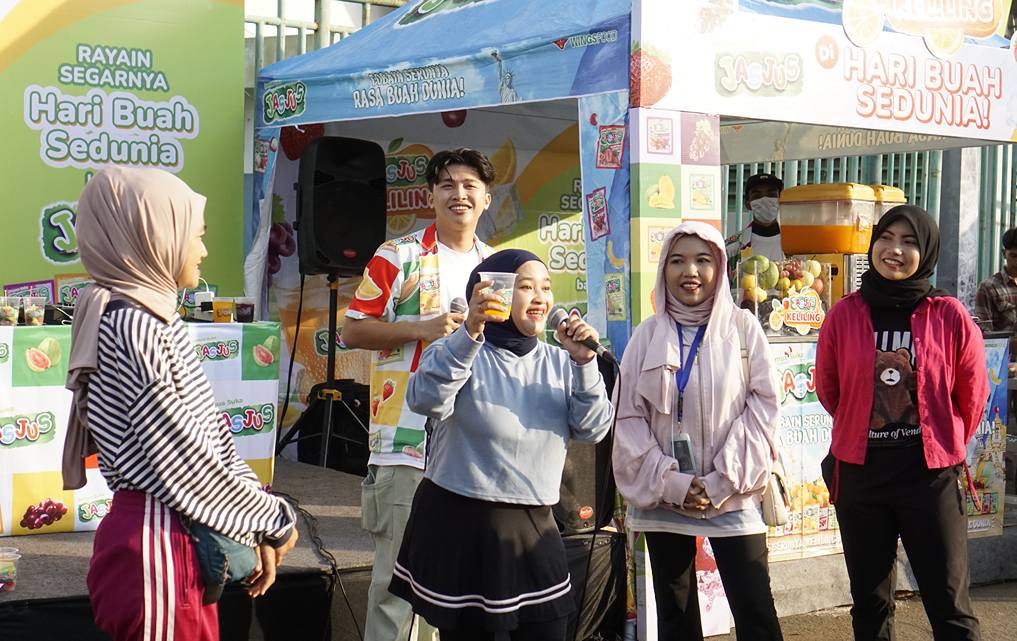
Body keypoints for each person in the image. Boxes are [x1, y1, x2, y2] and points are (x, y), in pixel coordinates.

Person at [63, 167, 298, 641]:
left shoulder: (148, 316)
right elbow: (181, 455)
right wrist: (270, 519)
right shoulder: (133, 323)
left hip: (175, 539)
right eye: (197, 235)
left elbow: (211, 438)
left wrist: (257, 518)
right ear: (154, 236)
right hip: (160, 547)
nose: (203, 250)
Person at [388, 249, 614, 641]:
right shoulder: (457, 349)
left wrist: (584, 363)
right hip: (461, 525)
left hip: (534, 526)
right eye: (526, 287)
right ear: (495, 291)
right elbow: (425, 399)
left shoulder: (562, 362)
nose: (540, 297)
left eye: (546, 287)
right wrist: (469, 333)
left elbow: (592, 429)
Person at [342, 148, 496, 641]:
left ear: (486, 199)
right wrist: (422, 327)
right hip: (407, 442)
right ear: (431, 196)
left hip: (473, 447)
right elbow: (352, 329)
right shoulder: (398, 254)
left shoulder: (496, 267)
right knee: (395, 590)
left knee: (453, 591)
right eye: (447, 185)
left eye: (470, 186)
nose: (459, 194)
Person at [816, 205, 987, 641]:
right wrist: (862, 425)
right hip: (862, 475)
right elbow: (830, 389)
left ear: (925, 251)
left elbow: (972, 392)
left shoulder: (949, 314)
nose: (894, 250)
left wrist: (944, 441)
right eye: (886, 238)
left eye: (909, 242)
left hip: (929, 477)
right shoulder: (844, 314)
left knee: (950, 605)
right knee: (870, 604)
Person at [613, 221, 784, 641]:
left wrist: (720, 480)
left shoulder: (743, 328)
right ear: (664, 270)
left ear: (719, 267)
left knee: (756, 611)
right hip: (664, 499)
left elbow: (763, 408)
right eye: (678, 261)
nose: (690, 272)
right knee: (676, 614)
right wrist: (672, 482)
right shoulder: (647, 335)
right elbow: (628, 418)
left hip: (733, 495)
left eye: (702, 260)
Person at [975, 227, 1017, 375]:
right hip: (1004, 369)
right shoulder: (989, 288)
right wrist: (1010, 345)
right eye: (1014, 256)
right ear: (1004, 253)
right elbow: (983, 335)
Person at [725, 172, 785, 265]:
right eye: (757, 196)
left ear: (781, 200)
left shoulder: (795, 244)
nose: (765, 200)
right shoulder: (733, 248)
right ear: (748, 204)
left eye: (771, 194)